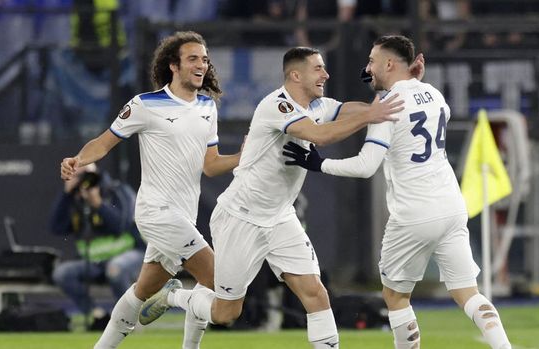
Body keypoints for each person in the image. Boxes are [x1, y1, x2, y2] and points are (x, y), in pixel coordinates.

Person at [138, 46, 425, 348]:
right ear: (295, 75)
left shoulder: (317, 105)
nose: (325, 74)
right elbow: (320, 136)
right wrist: (372, 113)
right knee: (226, 312)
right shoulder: (277, 106)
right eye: (318, 69)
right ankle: (174, 295)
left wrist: (394, 94)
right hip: (241, 217)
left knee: (315, 293)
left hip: (280, 217)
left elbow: (345, 110)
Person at [282, 35, 512, 349]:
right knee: (467, 293)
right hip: (451, 206)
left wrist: (319, 164)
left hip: (414, 213)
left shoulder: (387, 107)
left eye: (373, 62)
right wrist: (411, 81)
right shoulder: (434, 95)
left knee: (395, 296)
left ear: (390, 64)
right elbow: (422, 103)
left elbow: (365, 166)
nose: (367, 69)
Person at [59, 31, 241, 349]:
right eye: (193, 59)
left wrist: (243, 157)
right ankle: (173, 297)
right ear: (174, 65)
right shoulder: (145, 105)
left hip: (183, 215)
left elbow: (210, 166)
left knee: (141, 291)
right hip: (156, 213)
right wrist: (77, 159)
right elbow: (104, 142)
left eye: (205, 59)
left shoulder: (207, 108)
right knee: (219, 281)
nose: (202, 65)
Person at [50, 162, 144, 330]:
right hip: (93, 262)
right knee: (62, 273)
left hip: (128, 254)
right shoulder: (75, 199)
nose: (85, 181)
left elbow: (121, 224)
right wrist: (66, 194)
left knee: (115, 269)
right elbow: (56, 228)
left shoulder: (117, 191)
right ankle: (96, 314)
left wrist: (99, 205)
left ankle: (127, 321)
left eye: (87, 174)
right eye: (78, 175)